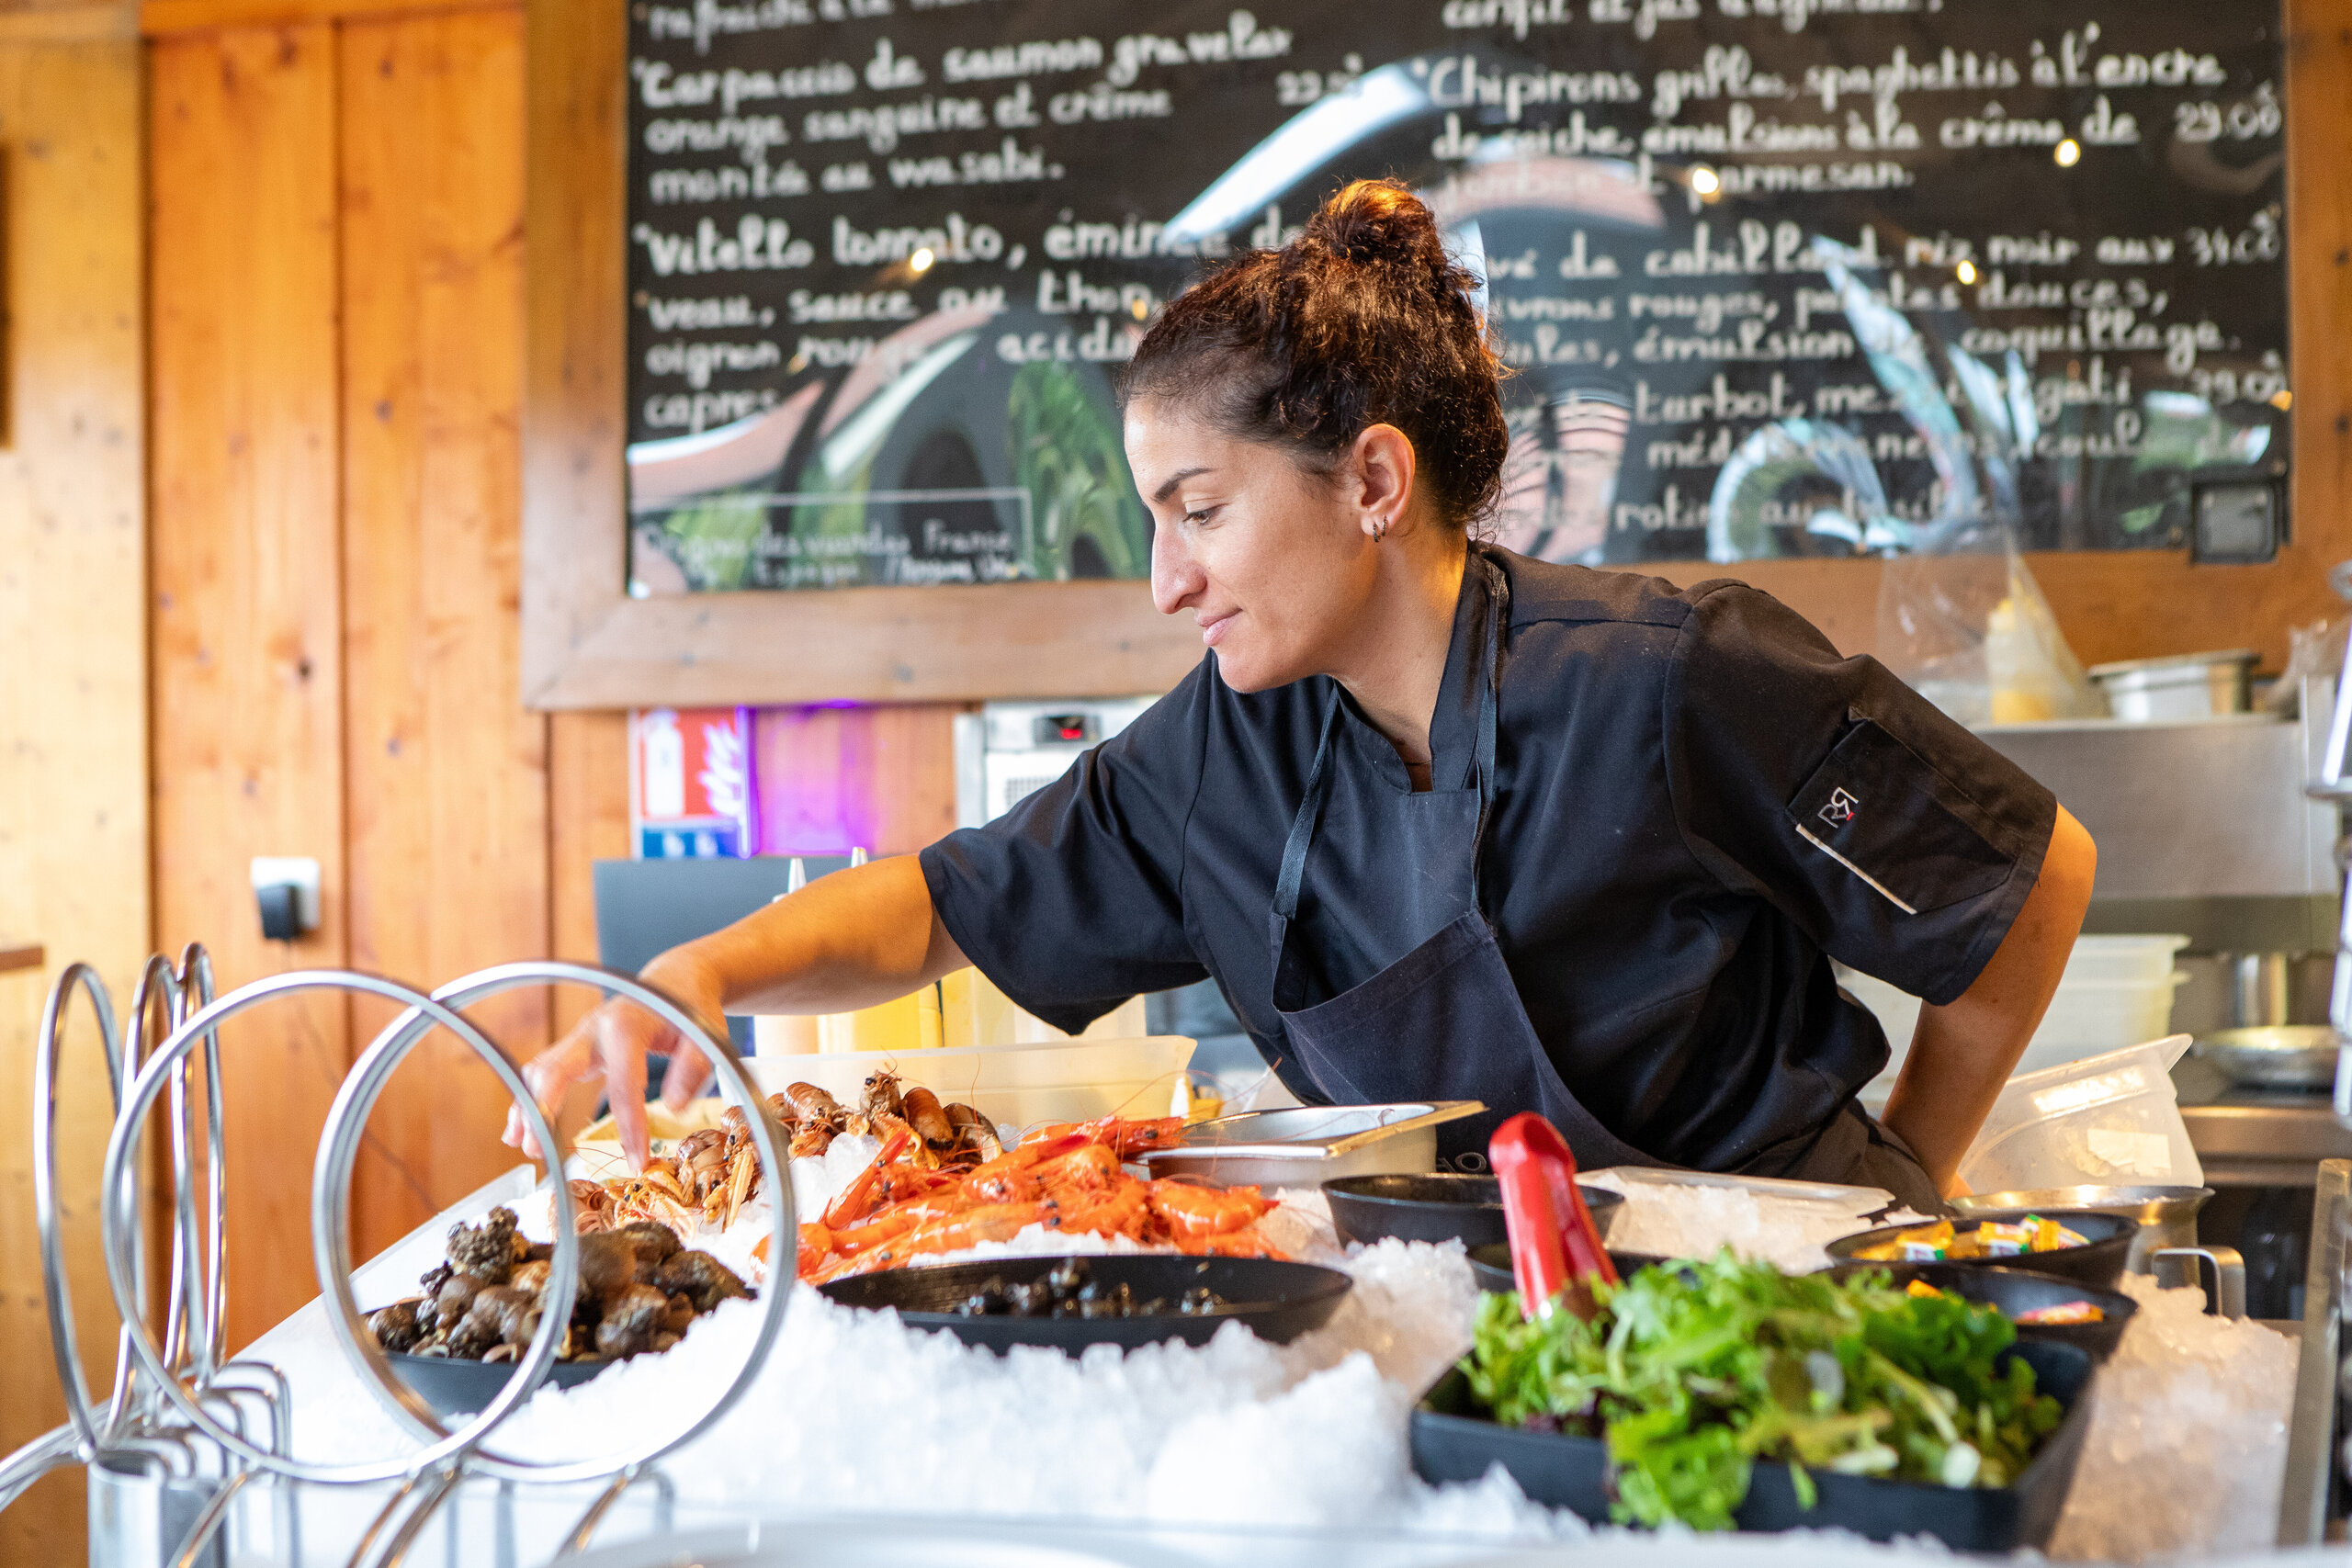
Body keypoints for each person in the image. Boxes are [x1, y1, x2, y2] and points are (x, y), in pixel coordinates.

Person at [507, 180, 2095, 1211]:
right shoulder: (1223, 755)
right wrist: (699, 974)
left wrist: (1909, 1177)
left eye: (1197, 509)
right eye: (1155, 521)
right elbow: (940, 907)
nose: (1164, 578)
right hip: (1456, 1347)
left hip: (1767, 1313)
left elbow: (2025, 886)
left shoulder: (1672, 675)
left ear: (1374, 481)